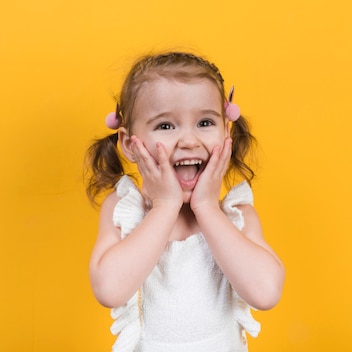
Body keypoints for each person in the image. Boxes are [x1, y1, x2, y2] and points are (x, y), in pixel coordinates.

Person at [85, 52, 285, 352]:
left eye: (205, 122)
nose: (189, 140)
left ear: (226, 132)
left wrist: (206, 208)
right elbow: (110, 290)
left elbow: (266, 293)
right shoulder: (125, 211)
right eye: (165, 126)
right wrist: (165, 206)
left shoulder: (236, 215)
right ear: (129, 144)